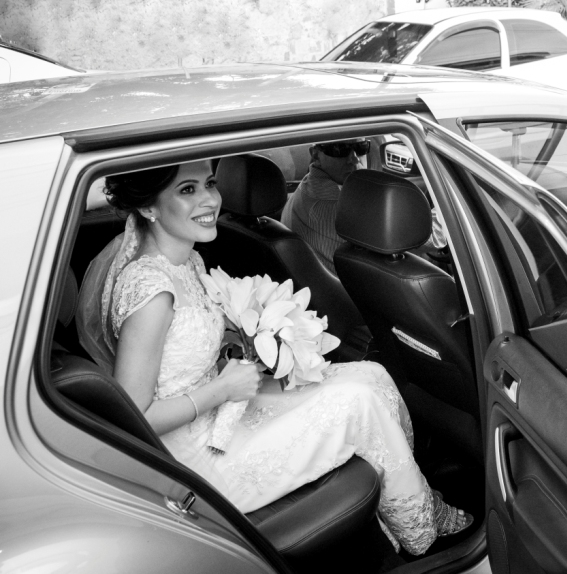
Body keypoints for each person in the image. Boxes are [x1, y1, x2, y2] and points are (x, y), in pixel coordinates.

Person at [75, 160, 471, 556]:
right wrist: (222, 388)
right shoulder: (151, 291)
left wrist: (242, 348)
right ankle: (423, 536)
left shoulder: (187, 260)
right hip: (197, 461)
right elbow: (136, 416)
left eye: (210, 183)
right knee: (360, 402)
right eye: (187, 190)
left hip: (219, 412)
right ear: (148, 208)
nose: (210, 198)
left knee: (371, 376)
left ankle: (412, 507)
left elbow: (180, 354)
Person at [281, 139, 446, 275]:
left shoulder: (306, 188)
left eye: (360, 148)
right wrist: (450, 206)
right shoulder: (340, 209)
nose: (354, 158)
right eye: (340, 149)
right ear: (315, 155)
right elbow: (432, 238)